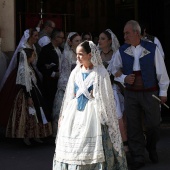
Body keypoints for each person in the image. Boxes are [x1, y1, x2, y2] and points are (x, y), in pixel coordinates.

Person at [53, 41, 127, 170]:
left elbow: (107, 99)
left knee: (93, 143)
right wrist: (64, 115)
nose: (78, 57)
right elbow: (70, 95)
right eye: (77, 54)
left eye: (81, 54)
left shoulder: (101, 73)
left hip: (94, 114)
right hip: (75, 113)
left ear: (90, 54)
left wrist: (95, 95)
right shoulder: (75, 72)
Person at [110, 20, 169, 170]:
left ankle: (151, 147)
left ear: (136, 32)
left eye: (127, 33)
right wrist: (124, 78)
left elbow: (161, 72)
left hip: (150, 92)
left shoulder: (152, 48)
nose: (124, 36)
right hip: (131, 93)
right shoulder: (122, 51)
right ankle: (138, 157)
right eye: (124, 33)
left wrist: (163, 92)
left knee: (154, 124)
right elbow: (113, 69)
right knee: (134, 125)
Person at [5, 48, 52, 145]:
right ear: (28, 57)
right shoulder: (23, 68)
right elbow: (23, 84)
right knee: (28, 115)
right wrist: (28, 97)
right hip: (27, 94)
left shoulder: (29, 67)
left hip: (34, 92)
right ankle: (26, 137)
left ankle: (36, 135)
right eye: (33, 55)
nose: (34, 57)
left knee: (38, 113)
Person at [0, 27, 42, 128]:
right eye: (35, 35)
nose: (37, 38)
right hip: (23, 74)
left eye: (37, 35)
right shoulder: (23, 47)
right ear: (29, 36)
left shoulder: (33, 47)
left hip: (32, 72)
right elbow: (22, 65)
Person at [98, 29, 128, 153]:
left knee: (118, 115)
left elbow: (120, 71)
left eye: (103, 38)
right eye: (99, 38)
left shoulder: (116, 54)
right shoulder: (96, 54)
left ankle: (124, 145)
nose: (99, 41)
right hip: (100, 90)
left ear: (110, 41)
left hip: (113, 89)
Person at [52, 32, 82, 136]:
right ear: (70, 42)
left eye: (80, 40)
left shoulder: (81, 54)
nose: (79, 42)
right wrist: (70, 88)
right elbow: (64, 73)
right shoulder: (67, 55)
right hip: (68, 87)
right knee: (63, 113)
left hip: (80, 87)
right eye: (76, 41)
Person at [37, 28, 65, 119]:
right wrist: (53, 74)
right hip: (49, 83)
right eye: (61, 38)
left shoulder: (61, 49)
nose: (62, 40)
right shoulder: (46, 49)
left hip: (60, 82)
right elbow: (40, 65)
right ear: (56, 38)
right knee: (50, 104)